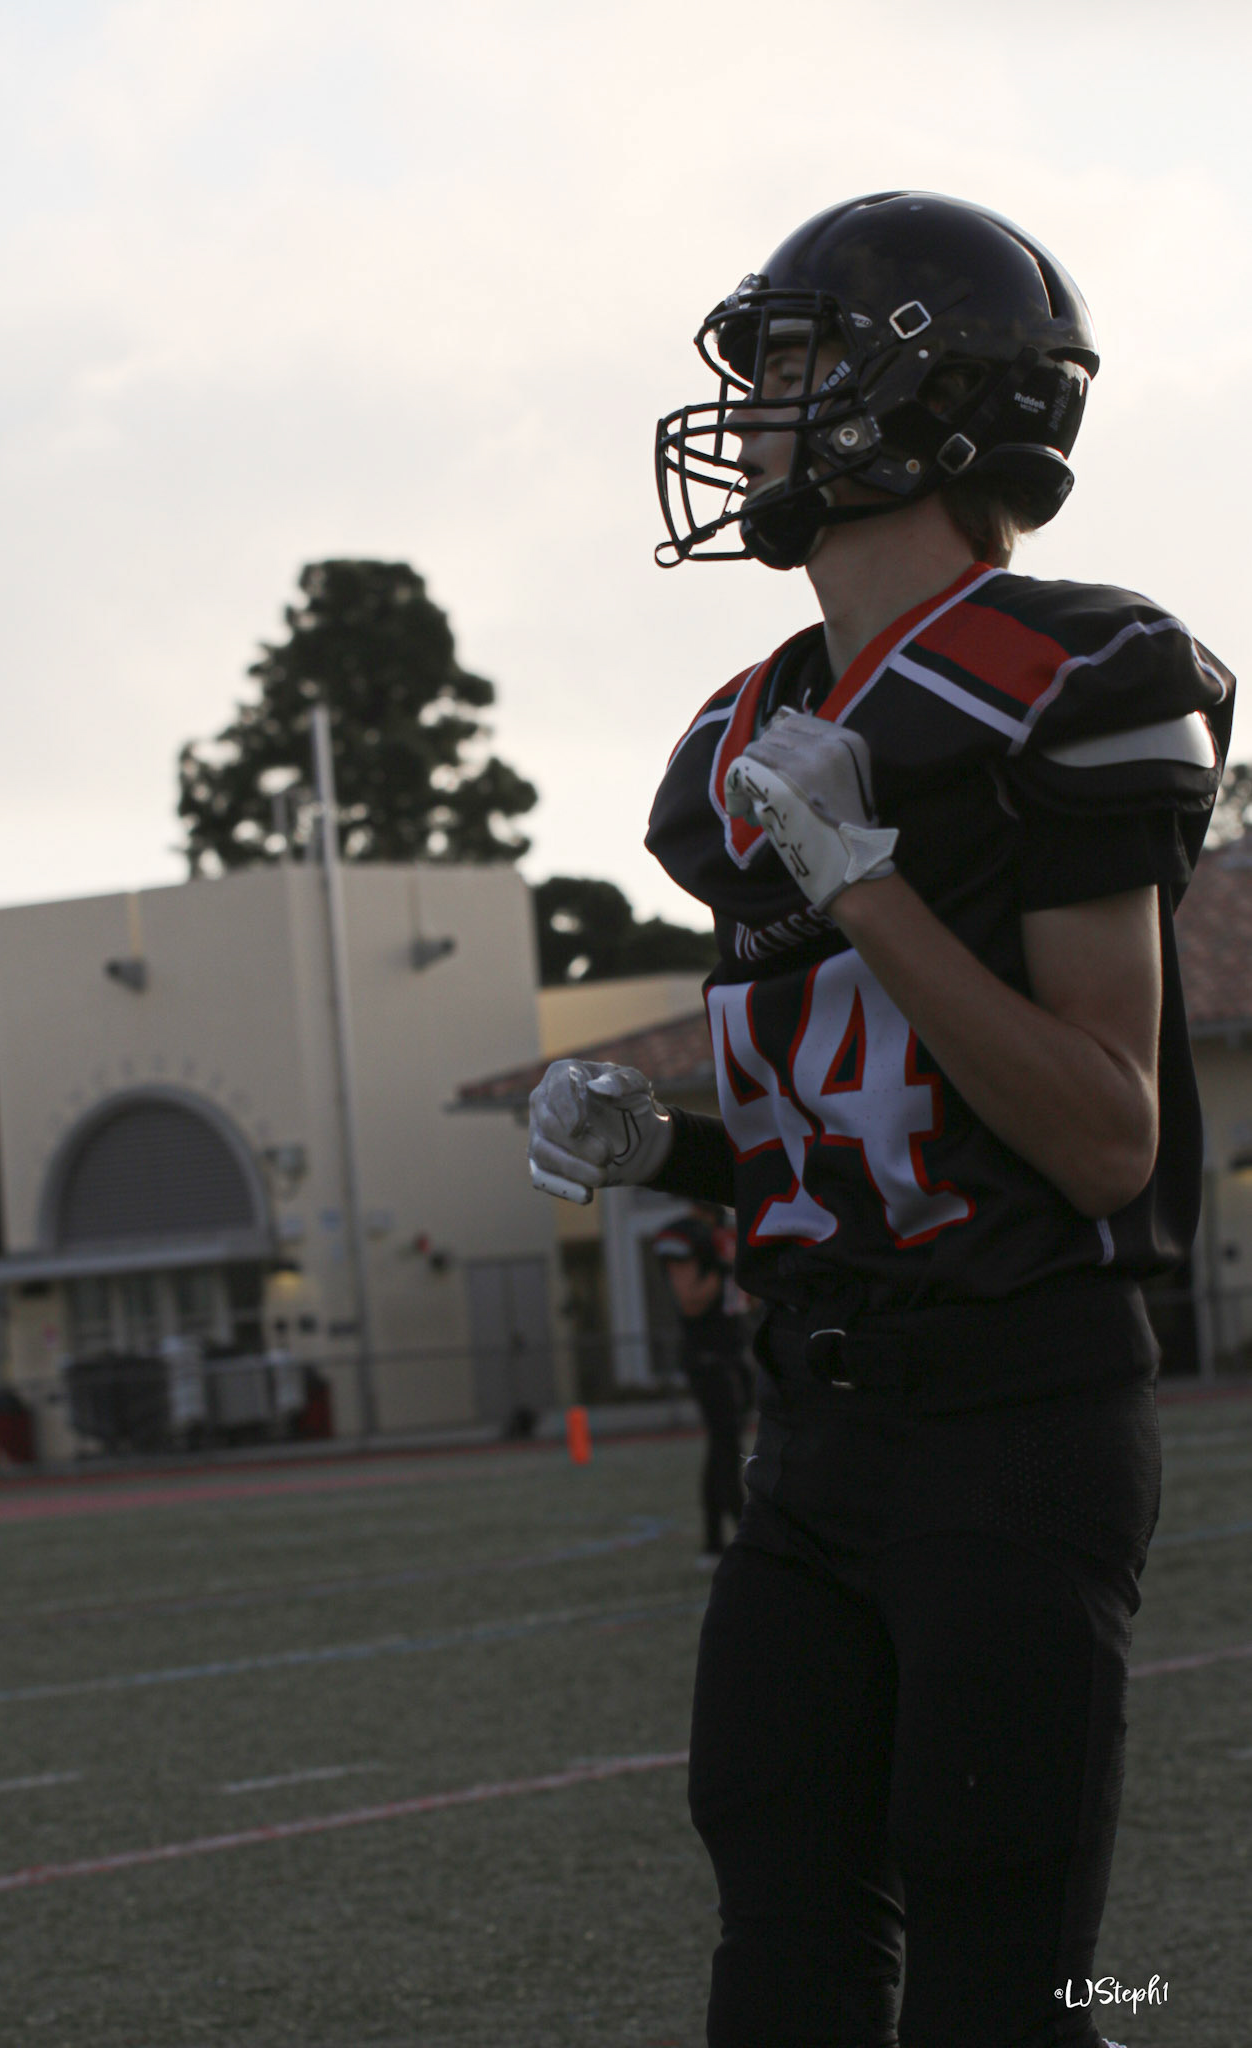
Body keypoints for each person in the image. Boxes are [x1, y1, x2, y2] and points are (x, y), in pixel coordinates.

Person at [527, 192, 1230, 2048]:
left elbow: (1100, 1135)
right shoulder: (742, 728)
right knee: (779, 1939)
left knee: (1005, 1981)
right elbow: (857, 1135)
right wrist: (663, 1145)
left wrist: (866, 883)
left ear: (925, 393)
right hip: (814, 1431)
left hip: (1014, 1420)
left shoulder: (1071, 675)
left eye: (792, 361)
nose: (752, 410)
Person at [653, 1210, 751, 1563]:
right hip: (708, 1360)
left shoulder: (723, 1237)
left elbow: (748, 1298)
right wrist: (724, 1266)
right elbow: (690, 1301)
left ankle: (716, 1540)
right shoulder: (687, 1238)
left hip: (732, 1356)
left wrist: (741, 1264)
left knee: (722, 1448)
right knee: (726, 1446)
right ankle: (740, 1534)